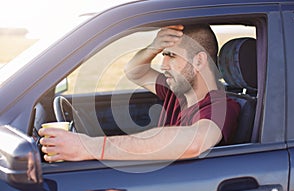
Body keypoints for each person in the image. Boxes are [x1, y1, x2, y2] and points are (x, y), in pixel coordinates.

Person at [38, 24, 240, 162]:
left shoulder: (220, 106)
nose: (163, 64)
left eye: (170, 56)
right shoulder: (176, 91)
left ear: (198, 61)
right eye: (162, 55)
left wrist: (90, 147)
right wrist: (153, 47)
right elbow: (135, 71)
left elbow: (196, 142)